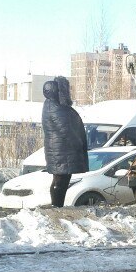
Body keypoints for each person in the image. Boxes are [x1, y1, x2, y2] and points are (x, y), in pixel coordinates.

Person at [42, 76, 88, 208]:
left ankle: (57, 206)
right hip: (62, 150)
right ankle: (56, 206)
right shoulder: (55, 107)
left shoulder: (52, 105)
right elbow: (65, 129)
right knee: (60, 180)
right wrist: (78, 144)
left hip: (60, 150)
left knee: (62, 180)